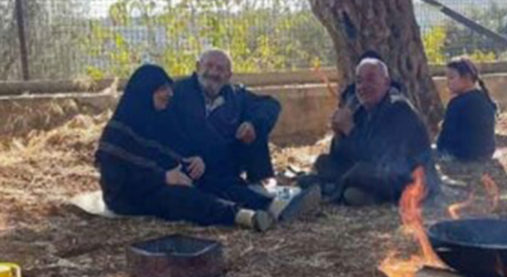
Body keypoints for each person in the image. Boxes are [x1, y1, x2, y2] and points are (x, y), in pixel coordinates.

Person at [96, 65, 318, 231]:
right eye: (161, 89)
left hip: (168, 176)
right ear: (145, 92)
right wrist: (162, 178)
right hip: (132, 195)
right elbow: (117, 179)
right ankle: (240, 216)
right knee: (180, 198)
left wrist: (192, 160)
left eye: (168, 88)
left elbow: (169, 149)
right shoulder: (118, 131)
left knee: (207, 176)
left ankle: (271, 205)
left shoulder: (159, 118)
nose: (169, 94)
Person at [300, 59, 438, 205]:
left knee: (358, 176)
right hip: (375, 171)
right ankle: (336, 188)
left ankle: (332, 192)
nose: (363, 86)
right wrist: (339, 134)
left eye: (371, 79)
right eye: (359, 81)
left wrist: (350, 130)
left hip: (407, 180)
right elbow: (345, 156)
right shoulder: (361, 110)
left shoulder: (399, 109)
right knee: (324, 162)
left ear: (386, 82)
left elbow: (379, 157)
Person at [167, 48, 281, 188]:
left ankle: (260, 183)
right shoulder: (177, 92)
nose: (214, 73)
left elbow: (270, 105)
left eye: (220, 69)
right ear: (198, 67)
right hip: (190, 161)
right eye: (209, 66)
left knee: (255, 125)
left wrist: (252, 124)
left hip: (224, 162)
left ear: (228, 75)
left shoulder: (236, 96)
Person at [437, 56, 497, 162]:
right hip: (487, 153)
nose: (447, 83)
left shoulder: (457, 103)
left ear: (467, 78)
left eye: (451, 78)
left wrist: (440, 148)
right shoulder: (485, 98)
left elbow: (446, 136)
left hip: (462, 155)